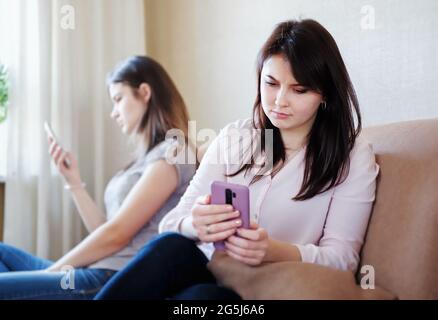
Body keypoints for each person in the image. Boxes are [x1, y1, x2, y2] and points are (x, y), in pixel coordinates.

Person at [95, 19, 380, 300]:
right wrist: (195, 225)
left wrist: (274, 250)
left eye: (299, 90)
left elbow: (343, 259)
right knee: (171, 247)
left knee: (203, 298)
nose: (280, 101)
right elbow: (170, 223)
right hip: (209, 268)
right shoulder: (236, 137)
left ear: (325, 94)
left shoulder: (352, 156)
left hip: (271, 286)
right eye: (271, 83)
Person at [0, 56, 196, 299]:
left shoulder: (173, 152)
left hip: (110, 276)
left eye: (118, 99)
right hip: (94, 267)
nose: (113, 113)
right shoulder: (144, 159)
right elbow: (106, 230)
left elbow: (117, 235)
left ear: (145, 92)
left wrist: (56, 270)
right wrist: (73, 181)